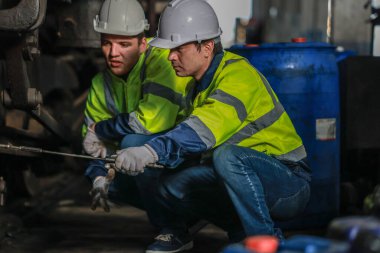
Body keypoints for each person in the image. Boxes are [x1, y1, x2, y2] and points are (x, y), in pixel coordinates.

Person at [88, 0, 311, 252]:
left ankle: (267, 242)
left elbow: (201, 130)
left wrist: (149, 151)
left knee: (227, 157)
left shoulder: (238, 75)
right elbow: (184, 142)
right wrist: (117, 162)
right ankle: (236, 231)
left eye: (178, 49)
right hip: (241, 173)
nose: (170, 56)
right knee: (172, 186)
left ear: (206, 48)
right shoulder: (195, 86)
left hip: (287, 182)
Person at [81, 0, 194, 246]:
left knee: (133, 143)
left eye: (124, 44)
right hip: (153, 161)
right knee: (111, 182)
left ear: (143, 44)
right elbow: (93, 145)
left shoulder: (163, 62)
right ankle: (183, 216)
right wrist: (98, 175)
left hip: (186, 154)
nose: (113, 53)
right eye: (106, 43)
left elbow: (148, 122)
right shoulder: (100, 84)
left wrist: (100, 129)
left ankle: (175, 229)